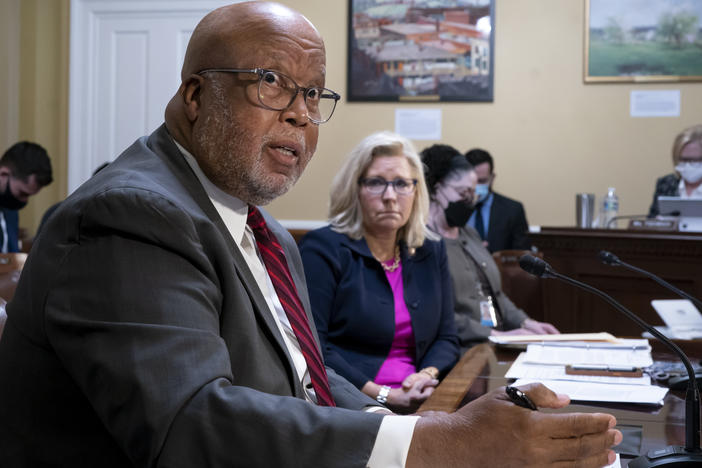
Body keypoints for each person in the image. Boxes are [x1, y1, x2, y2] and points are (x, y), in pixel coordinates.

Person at [0, 3, 621, 467]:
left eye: (313, 93)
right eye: (270, 82)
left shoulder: (264, 229)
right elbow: (189, 427)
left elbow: (307, 376)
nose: (300, 112)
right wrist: (432, 446)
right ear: (194, 95)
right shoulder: (131, 213)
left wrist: (399, 425)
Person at [299, 132, 459, 414]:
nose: (389, 197)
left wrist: (426, 376)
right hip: (351, 403)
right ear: (355, 189)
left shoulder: (431, 250)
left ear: (416, 191)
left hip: (424, 397)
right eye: (375, 183)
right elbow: (314, 348)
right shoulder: (323, 249)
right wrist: (384, 395)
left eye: (401, 184)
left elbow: (447, 337)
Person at [422, 144, 559, 351]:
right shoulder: (422, 242)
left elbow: (495, 294)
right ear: (436, 189)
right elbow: (436, 313)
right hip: (461, 350)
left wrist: (526, 323)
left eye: (473, 193)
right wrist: (497, 336)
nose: (470, 201)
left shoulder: (470, 234)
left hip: (497, 342)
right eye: (463, 193)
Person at [465, 148, 530, 253]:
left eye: (482, 181)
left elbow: (521, 254)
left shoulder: (513, 210)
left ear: (492, 178)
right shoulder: (454, 208)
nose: (477, 186)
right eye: (473, 181)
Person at [0, 141, 53, 252]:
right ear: (4, 174)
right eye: (22, 193)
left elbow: (11, 256)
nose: (24, 200)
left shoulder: (10, 211)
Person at [648, 124, 702, 217]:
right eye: (683, 160)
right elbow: (651, 220)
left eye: (694, 160)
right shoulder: (666, 184)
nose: (688, 165)